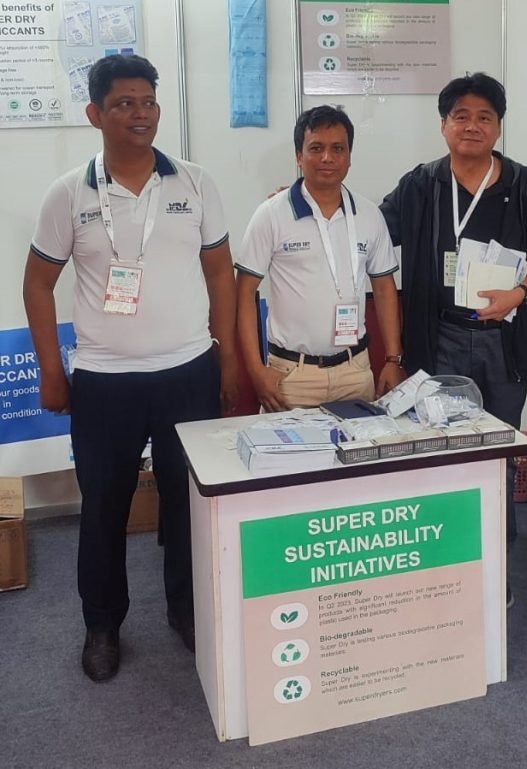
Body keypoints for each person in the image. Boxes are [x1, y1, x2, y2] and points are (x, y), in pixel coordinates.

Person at [23, 55, 238, 681]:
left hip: (187, 373)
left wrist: (225, 355)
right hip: (104, 381)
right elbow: (37, 285)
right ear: (95, 114)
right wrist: (51, 370)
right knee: (103, 509)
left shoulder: (195, 182)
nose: (139, 114)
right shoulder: (69, 193)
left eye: (147, 102)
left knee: (189, 503)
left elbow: (220, 273)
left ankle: (186, 610)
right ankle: (102, 625)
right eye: (123, 103)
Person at [380, 73, 527, 579]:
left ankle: (497, 563)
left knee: (498, 451)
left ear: (498, 127)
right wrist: (317, 199)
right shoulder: (420, 185)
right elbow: (372, 233)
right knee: (440, 449)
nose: (472, 126)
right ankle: (446, 564)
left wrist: (521, 293)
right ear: (443, 125)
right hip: (438, 337)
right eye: (460, 116)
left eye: (484, 117)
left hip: (504, 342)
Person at [236, 105, 403, 411]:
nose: (327, 158)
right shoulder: (271, 215)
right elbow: (244, 293)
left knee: (361, 443)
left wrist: (393, 359)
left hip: (355, 372)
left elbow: (384, 289)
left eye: (338, 149)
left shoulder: (369, 215)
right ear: (298, 156)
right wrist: (256, 370)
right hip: (293, 376)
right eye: (316, 148)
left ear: (349, 157)